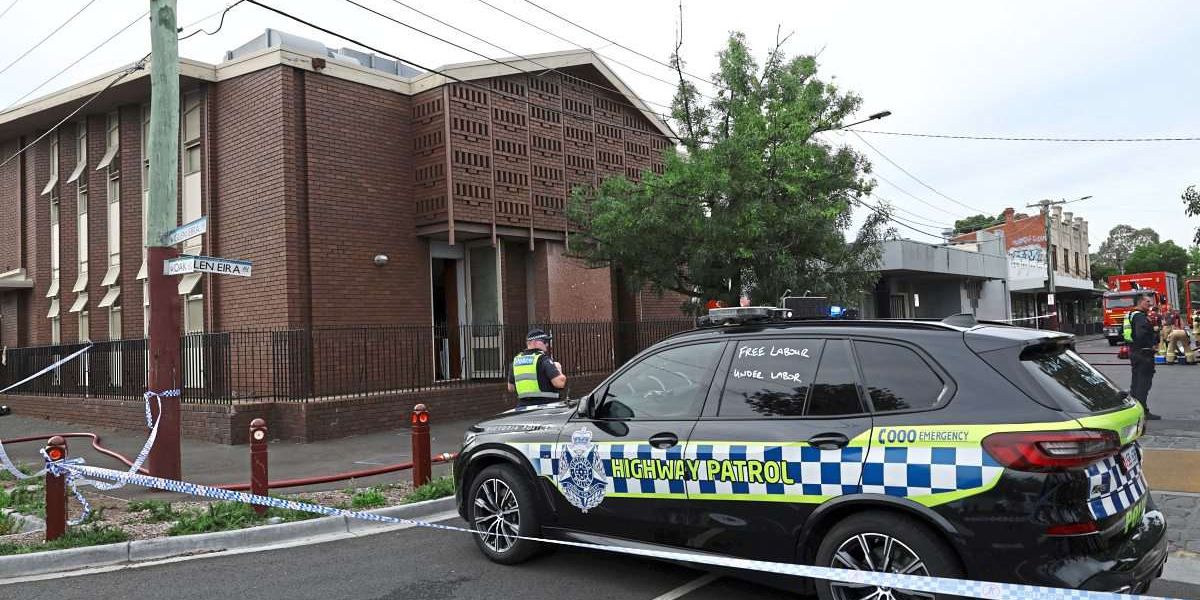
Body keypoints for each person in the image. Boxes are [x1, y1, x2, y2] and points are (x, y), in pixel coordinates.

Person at [1124, 293, 1161, 420]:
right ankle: (1142, 411)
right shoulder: (1140, 317)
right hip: (1144, 354)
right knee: (1143, 384)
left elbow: (1123, 332)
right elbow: (1141, 334)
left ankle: (1133, 410)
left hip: (1134, 352)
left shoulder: (1130, 314)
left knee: (1136, 383)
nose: (1150, 304)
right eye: (1147, 302)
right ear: (1140, 302)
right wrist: (1151, 345)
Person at [507, 328, 567, 407]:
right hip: (547, 408)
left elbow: (511, 388)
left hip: (524, 409)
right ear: (535, 342)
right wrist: (558, 369)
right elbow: (559, 383)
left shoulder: (516, 361)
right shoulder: (542, 359)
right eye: (544, 341)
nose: (547, 344)